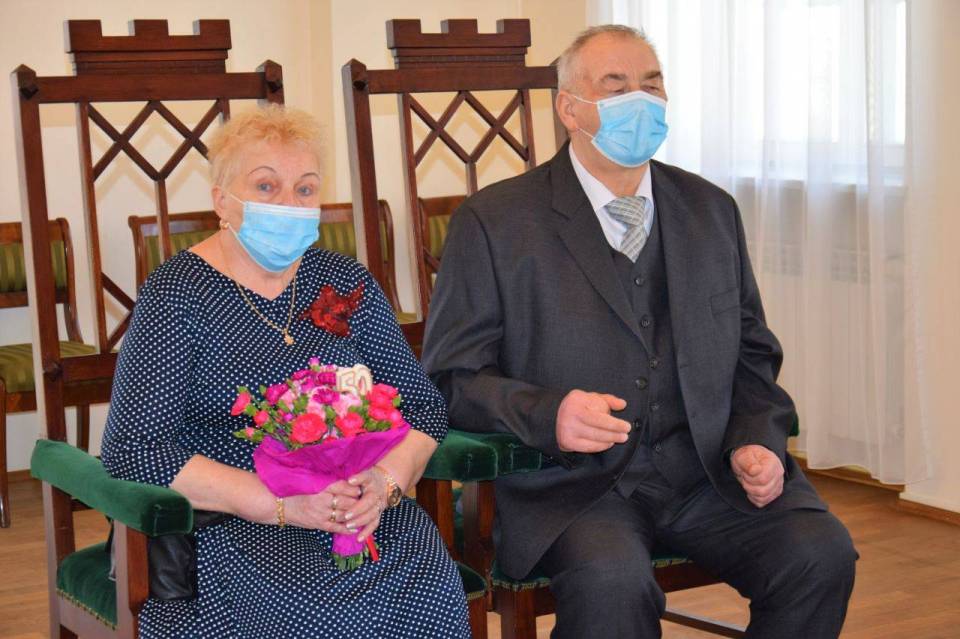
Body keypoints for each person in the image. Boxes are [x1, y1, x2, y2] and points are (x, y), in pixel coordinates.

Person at [422, 24, 857, 639]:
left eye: (651, 86)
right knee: (612, 586)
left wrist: (754, 439)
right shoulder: (495, 222)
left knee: (820, 553)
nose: (640, 101)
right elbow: (451, 377)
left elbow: (752, 355)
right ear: (569, 108)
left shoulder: (710, 209)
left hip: (707, 474)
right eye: (616, 86)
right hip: (575, 488)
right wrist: (549, 412)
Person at [101, 105, 469, 638]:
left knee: (426, 585)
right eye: (266, 186)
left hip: (359, 512)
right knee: (315, 614)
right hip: (232, 520)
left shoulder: (344, 280)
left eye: (305, 189)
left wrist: (385, 482)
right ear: (221, 200)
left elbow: (423, 407)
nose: (289, 204)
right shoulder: (177, 292)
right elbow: (135, 449)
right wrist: (280, 503)